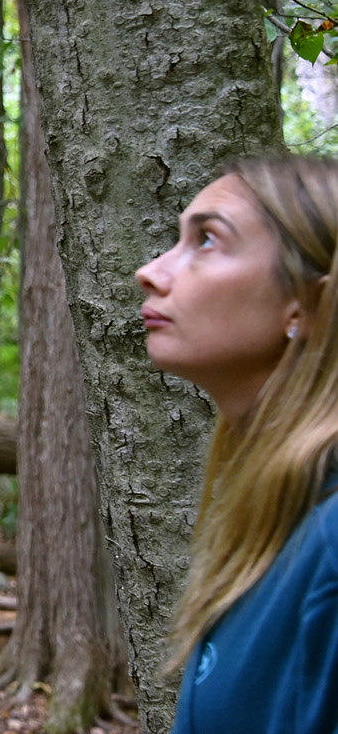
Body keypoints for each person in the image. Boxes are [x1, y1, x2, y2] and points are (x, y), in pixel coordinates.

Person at [136, 157, 338, 734]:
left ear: (308, 304)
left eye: (207, 240)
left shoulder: (331, 547)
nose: (149, 271)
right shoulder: (282, 520)